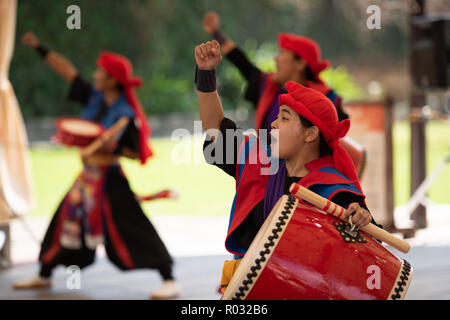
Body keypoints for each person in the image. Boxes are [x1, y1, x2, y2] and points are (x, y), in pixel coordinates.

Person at [194, 40, 382, 293]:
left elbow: (370, 244)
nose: (273, 124)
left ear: (310, 133)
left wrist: (362, 218)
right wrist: (206, 73)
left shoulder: (334, 190)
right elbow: (215, 129)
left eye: (284, 118)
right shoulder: (257, 161)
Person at [12, 31, 180, 300]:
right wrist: (39, 48)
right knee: (63, 221)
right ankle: (44, 274)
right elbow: (68, 72)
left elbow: (135, 153)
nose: (95, 76)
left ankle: (168, 278)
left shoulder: (126, 114)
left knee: (132, 225)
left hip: (110, 179)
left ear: (113, 80)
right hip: (87, 178)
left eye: (101, 73)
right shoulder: (95, 98)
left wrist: (109, 146)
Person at [202, 12, 349, 139]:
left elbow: (338, 139)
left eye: (282, 53)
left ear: (300, 63)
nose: (276, 58)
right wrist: (216, 33)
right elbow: (241, 61)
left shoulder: (325, 100)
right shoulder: (267, 86)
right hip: (268, 167)